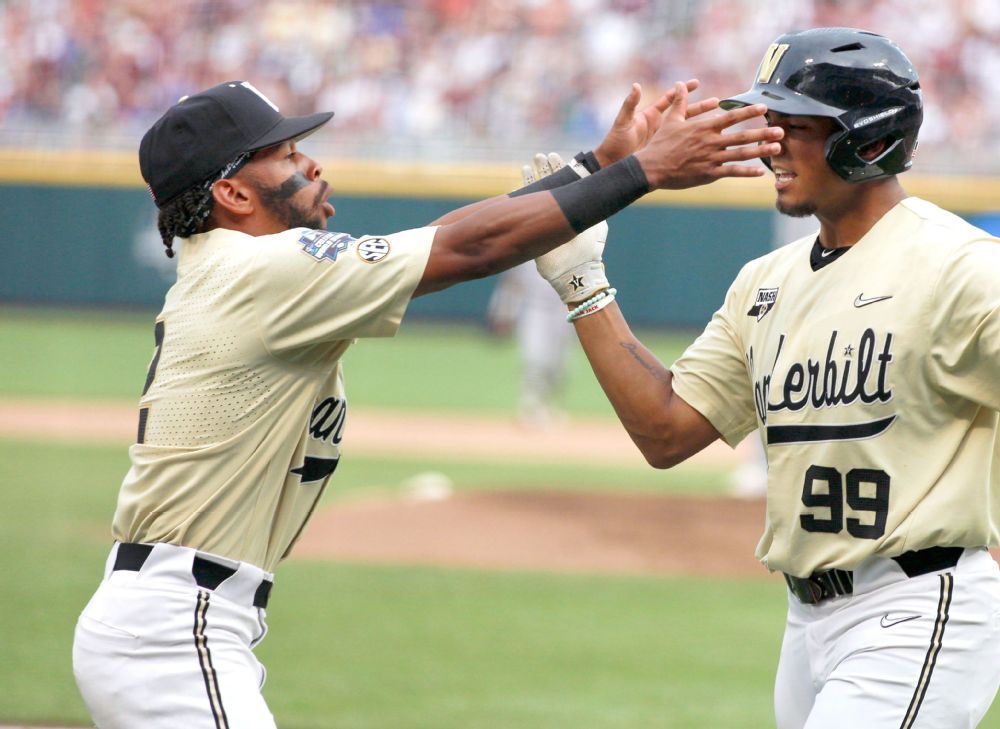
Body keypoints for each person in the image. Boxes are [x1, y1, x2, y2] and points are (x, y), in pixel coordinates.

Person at [529, 28, 1000, 728]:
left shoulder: (958, 263)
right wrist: (585, 284)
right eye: (767, 120)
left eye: (793, 125)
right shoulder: (764, 284)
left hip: (919, 606)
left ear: (866, 138)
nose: (768, 140)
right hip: (804, 621)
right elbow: (665, 429)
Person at [70, 78, 782, 728]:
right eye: (285, 153)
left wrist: (597, 164)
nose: (310, 163)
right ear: (232, 194)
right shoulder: (260, 271)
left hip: (174, 620)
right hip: (174, 628)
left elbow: (441, 238)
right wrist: (642, 173)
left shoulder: (242, 271)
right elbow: (469, 249)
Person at [486, 260, 574, 428]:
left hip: (562, 310)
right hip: (534, 309)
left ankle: (549, 406)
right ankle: (530, 408)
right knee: (534, 359)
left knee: (559, 365)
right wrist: (504, 312)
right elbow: (512, 282)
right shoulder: (528, 247)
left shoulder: (568, 244)